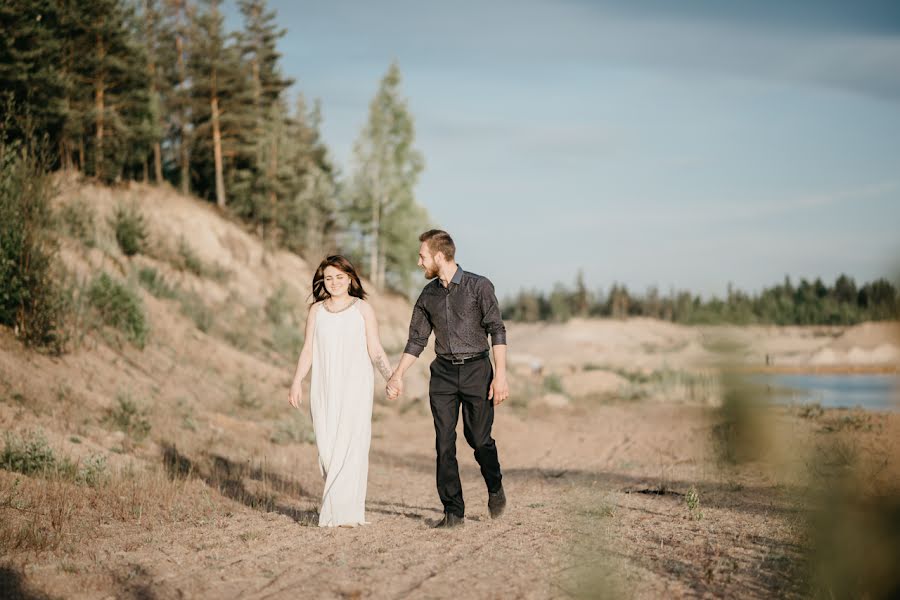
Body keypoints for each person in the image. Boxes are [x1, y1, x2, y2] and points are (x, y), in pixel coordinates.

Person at [386, 230, 509, 528]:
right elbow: (417, 339)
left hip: (477, 371)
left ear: (439, 256)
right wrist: (397, 374)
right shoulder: (428, 295)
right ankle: (453, 512)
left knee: (478, 440)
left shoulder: (479, 286)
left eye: (422, 256)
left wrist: (501, 377)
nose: (419, 262)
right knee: (444, 443)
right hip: (442, 374)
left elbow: (497, 330)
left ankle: (494, 486)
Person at [288, 255, 395, 527]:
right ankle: (340, 507)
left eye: (339, 277)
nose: (333, 283)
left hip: (355, 387)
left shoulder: (362, 309)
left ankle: (340, 514)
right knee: (327, 449)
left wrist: (391, 377)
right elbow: (308, 349)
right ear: (322, 281)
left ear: (350, 278)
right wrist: (297, 380)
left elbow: (375, 349)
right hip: (323, 387)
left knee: (351, 447)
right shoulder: (316, 311)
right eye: (328, 278)